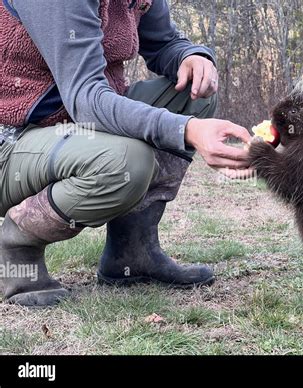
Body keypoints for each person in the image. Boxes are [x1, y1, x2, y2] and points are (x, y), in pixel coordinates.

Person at [0, 0, 252, 307]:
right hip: (13, 137)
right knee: (127, 162)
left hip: (72, 123)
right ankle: (16, 244)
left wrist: (192, 56)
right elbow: (87, 98)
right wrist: (185, 130)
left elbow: (164, 43)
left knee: (192, 96)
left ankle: (132, 253)